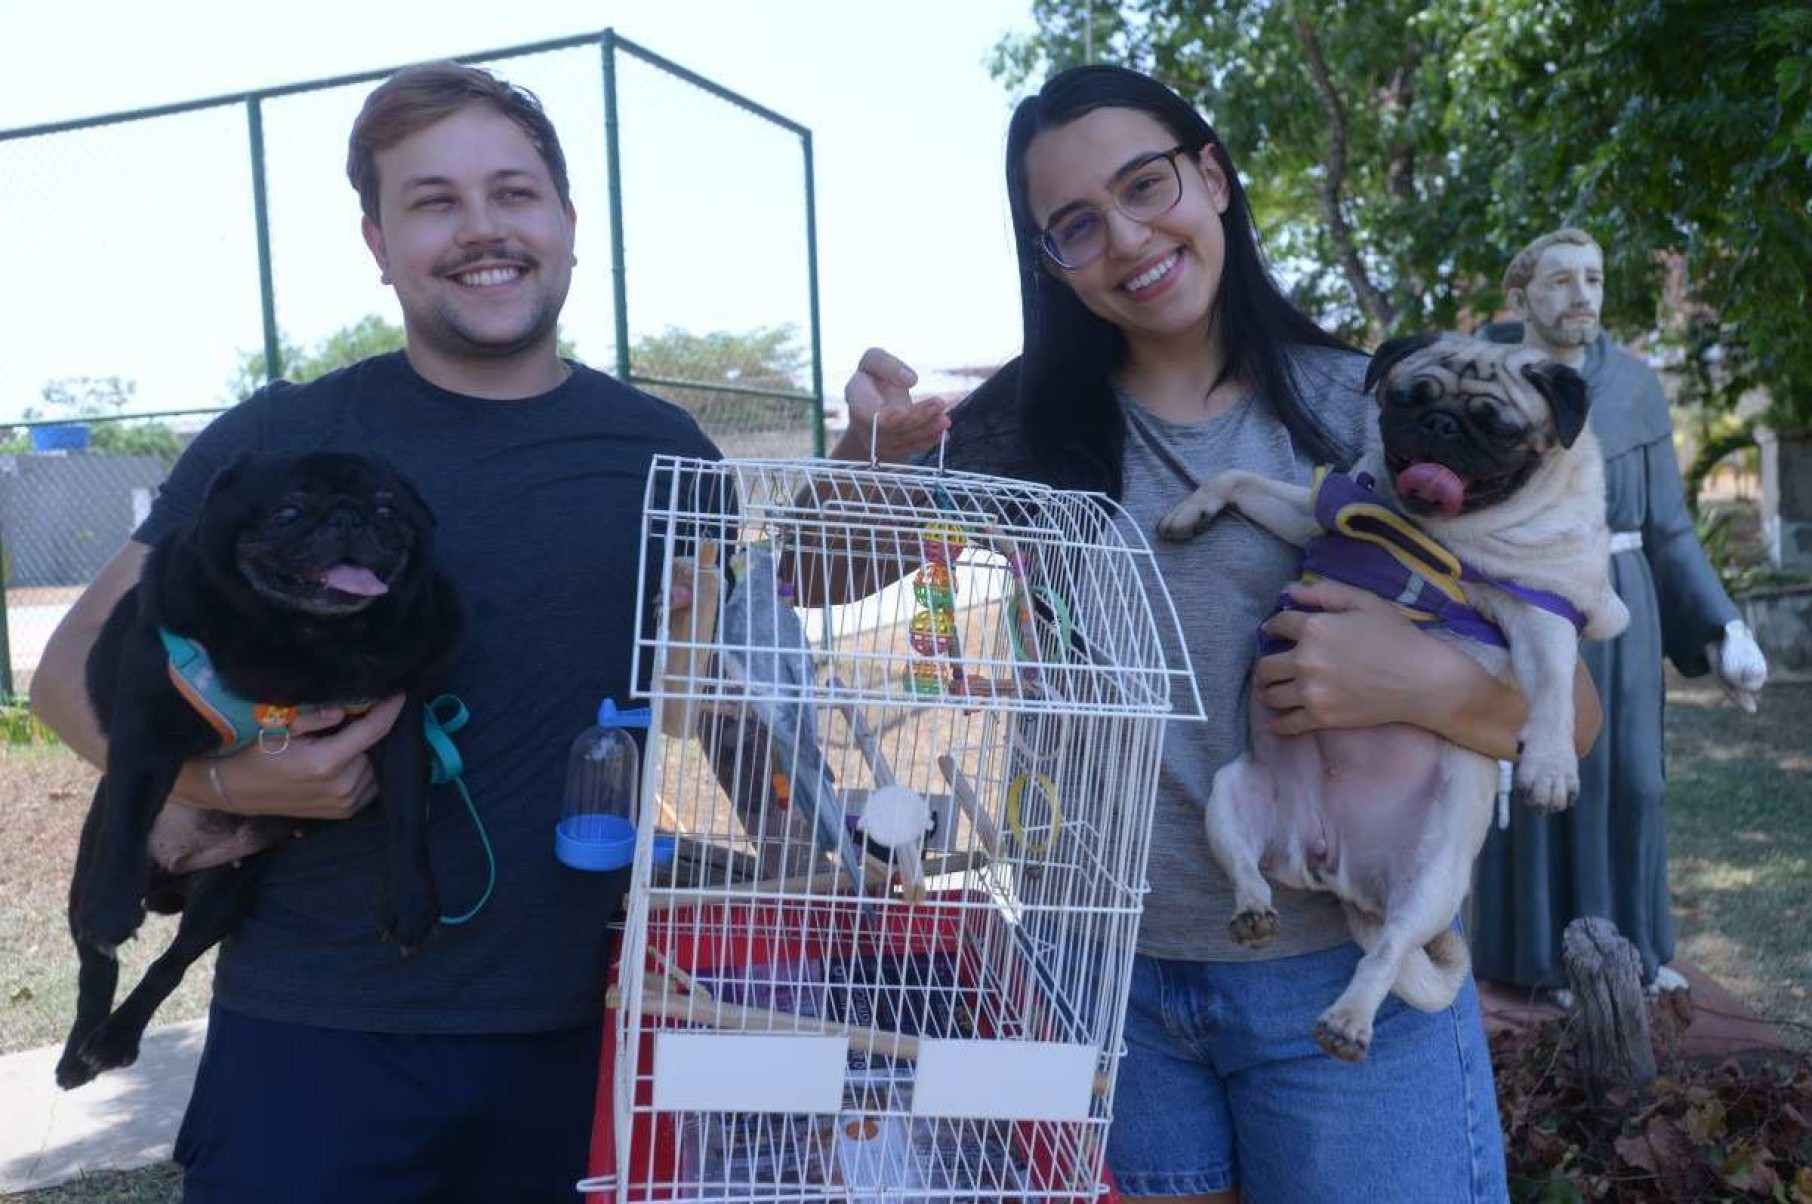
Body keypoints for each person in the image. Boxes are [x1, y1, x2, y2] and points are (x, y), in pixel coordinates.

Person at [822, 65, 1605, 1204]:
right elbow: (818, 574)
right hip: (1100, 976)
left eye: (1147, 185)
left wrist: (1417, 681)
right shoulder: (1017, 426)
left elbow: (1568, 712)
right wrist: (865, 460)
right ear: (1049, 261)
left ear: (1214, 177)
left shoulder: (1381, 410)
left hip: (1338, 971)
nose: (1129, 236)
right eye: (1075, 225)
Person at [31, 62, 718, 1202]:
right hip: (311, 1028)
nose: (483, 229)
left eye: (513, 192)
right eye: (434, 200)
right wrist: (231, 781)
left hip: (565, 1023)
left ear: (567, 222)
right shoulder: (280, 435)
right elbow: (65, 675)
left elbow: (708, 685)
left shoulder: (666, 449)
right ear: (378, 240)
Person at [1471, 227, 1766, 995]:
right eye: (1562, 281)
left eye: (1594, 280)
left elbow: (1670, 526)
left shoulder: (1634, 386)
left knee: (1636, 780)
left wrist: (1724, 626)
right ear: (1523, 293)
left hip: (1624, 603)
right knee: (1550, 781)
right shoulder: (1487, 380)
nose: (1582, 297)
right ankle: (1550, 961)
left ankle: (1638, 947)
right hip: (1532, 598)